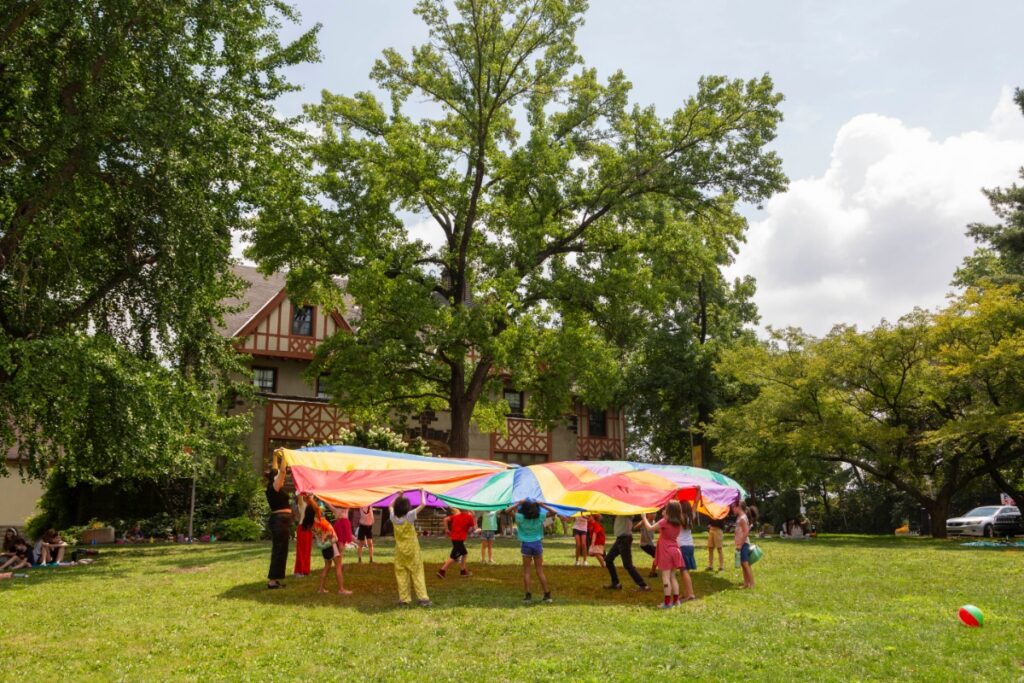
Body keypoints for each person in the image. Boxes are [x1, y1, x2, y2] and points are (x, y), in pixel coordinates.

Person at [505, 499, 556, 603]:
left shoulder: (520, 518)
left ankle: (528, 596)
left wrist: (518, 503)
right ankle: (547, 595)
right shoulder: (540, 517)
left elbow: (507, 511)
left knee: (527, 571)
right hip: (537, 544)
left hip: (526, 545)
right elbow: (554, 512)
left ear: (523, 509)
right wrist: (542, 504)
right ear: (536, 508)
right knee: (540, 571)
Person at [390, 490, 431, 607]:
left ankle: (404, 600)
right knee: (417, 572)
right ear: (407, 507)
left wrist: (398, 495)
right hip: (413, 551)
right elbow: (423, 504)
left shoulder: (393, 517)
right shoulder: (410, 516)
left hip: (400, 551)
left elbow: (390, 506)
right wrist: (422, 492)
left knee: (401, 573)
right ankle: (423, 598)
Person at [640, 501, 685, 609]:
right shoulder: (679, 521)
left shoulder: (665, 521)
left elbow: (650, 528)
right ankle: (676, 601)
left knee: (665, 577)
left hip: (666, 551)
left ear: (669, 510)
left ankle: (667, 603)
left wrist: (644, 517)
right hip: (676, 550)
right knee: (673, 576)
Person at [265, 451, 291, 589]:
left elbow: (276, 470)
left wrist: (275, 455)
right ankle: (272, 581)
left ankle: (275, 579)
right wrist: (285, 456)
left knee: (280, 550)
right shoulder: (274, 487)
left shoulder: (272, 486)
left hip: (279, 522)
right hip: (279, 522)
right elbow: (281, 471)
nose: (282, 479)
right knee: (279, 550)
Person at [312, 508, 352, 596]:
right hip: (331, 546)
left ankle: (321, 588)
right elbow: (330, 534)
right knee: (338, 566)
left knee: (327, 567)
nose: (321, 510)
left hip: (324, 548)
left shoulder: (312, 524)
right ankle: (341, 590)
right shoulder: (321, 521)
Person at [604, 515, 649, 591]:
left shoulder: (627, 511)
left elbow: (631, 514)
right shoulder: (619, 511)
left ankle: (643, 585)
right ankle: (616, 583)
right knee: (608, 559)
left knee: (627, 565)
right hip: (620, 539)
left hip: (625, 539)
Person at [437, 506, 476, 578]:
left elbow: (445, 519)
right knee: (454, 557)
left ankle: (463, 571)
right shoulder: (469, 517)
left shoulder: (456, 516)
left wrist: (446, 529)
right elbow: (472, 529)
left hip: (454, 538)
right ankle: (442, 571)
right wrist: (473, 517)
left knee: (464, 553)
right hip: (459, 540)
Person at [676, 501, 697, 601]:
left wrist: (675, 493)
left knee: (684, 570)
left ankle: (690, 594)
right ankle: (686, 593)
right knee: (684, 570)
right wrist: (698, 491)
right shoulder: (691, 516)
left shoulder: (681, 517)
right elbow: (696, 502)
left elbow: (675, 505)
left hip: (683, 547)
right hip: (689, 546)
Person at [733, 500, 754, 589]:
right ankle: (746, 583)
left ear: (739, 507)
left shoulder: (742, 518)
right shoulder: (740, 517)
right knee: (743, 564)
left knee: (745, 563)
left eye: (734, 507)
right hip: (740, 544)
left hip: (744, 543)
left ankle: (751, 584)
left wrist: (741, 544)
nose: (732, 509)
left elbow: (746, 531)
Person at [294, 497, 315, 577]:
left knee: (307, 550)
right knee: (301, 550)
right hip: (302, 528)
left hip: (309, 529)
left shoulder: (312, 504)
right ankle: (298, 571)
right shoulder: (302, 504)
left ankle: (306, 570)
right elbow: (299, 495)